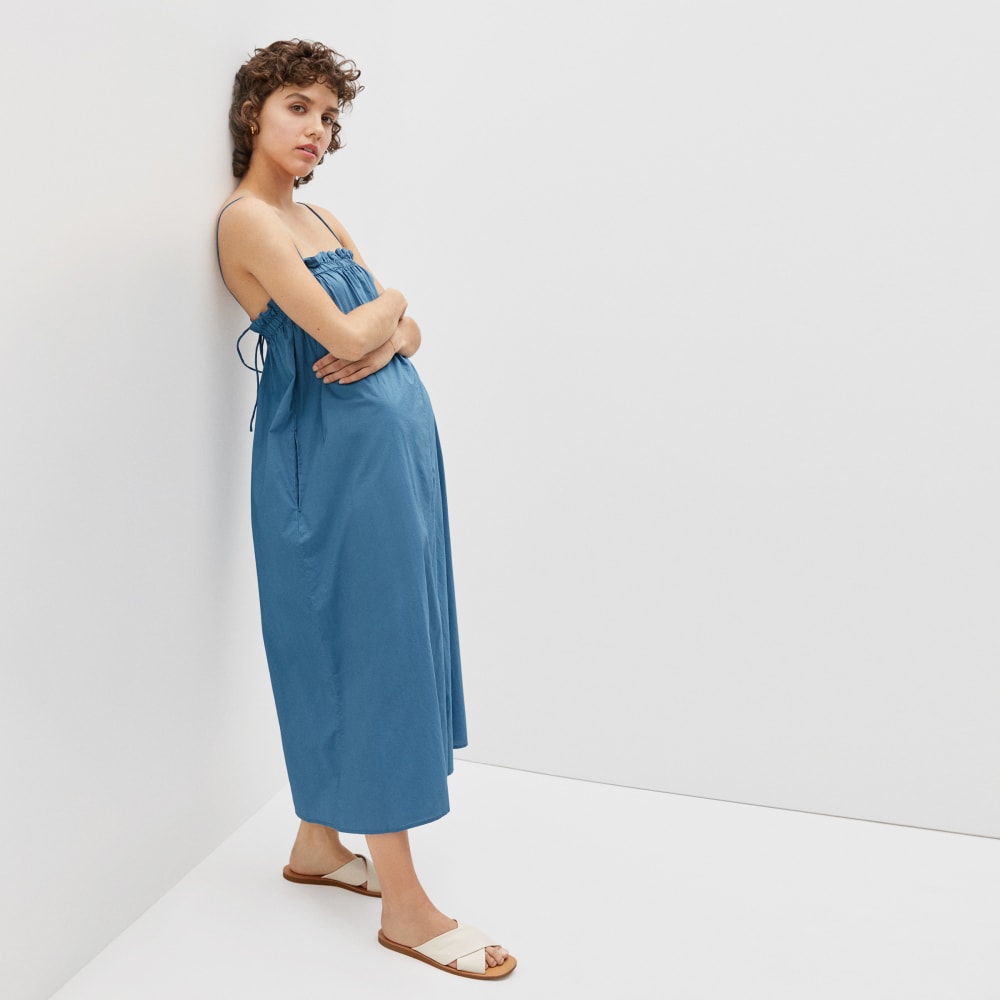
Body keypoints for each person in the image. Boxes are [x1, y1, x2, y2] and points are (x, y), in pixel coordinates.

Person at [215, 39, 514, 980]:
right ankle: (407, 908)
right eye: (298, 107)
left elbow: (396, 336)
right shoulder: (248, 221)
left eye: (329, 116)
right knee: (369, 647)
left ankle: (316, 843)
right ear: (254, 113)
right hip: (328, 466)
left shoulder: (319, 216)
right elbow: (355, 329)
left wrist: (390, 328)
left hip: (391, 458)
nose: (317, 129)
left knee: (394, 632)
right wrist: (394, 306)